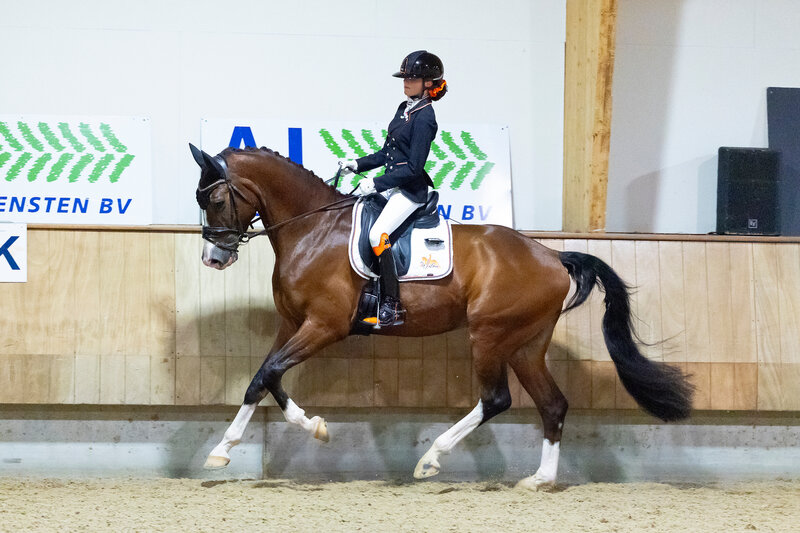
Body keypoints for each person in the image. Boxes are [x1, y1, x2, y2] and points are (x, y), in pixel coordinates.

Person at [340, 50, 448, 327]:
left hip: (410, 190)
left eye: (412, 78)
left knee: (378, 235)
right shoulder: (404, 109)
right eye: (404, 77)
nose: (405, 82)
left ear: (428, 82)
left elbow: (413, 167)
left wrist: (376, 183)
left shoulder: (426, 118)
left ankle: (391, 304)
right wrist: (357, 164)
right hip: (392, 186)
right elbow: (386, 153)